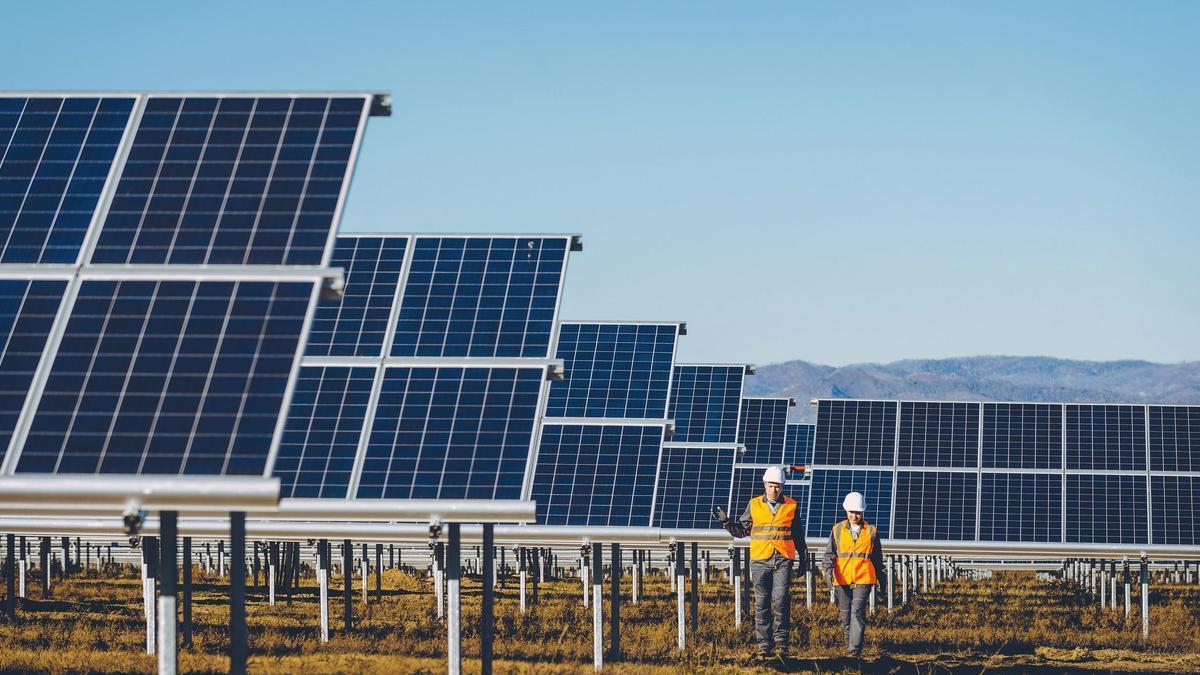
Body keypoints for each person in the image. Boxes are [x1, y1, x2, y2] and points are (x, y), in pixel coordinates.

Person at [714, 465, 808, 662]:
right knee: (762, 602)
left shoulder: (791, 505)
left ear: (782, 486)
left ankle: (782, 644)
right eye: (771, 485)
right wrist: (726, 522)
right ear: (765, 484)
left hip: (783, 558)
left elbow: (798, 534)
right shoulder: (754, 504)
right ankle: (764, 646)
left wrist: (803, 558)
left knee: (781, 599)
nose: (774, 489)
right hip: (760, 559)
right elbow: (742, 531)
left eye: (778, 486)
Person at [821, 491, 885, 659]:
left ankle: (854, 650)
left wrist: (882, 581)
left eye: (857, 512)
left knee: (857, 611)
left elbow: (877, 558)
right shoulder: (836, 530)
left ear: (862, 512)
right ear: (846, 511)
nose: (854, 515)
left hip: (864, 578)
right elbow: (829, 555)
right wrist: (828, 573)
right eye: (851, 511)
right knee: (845, 615)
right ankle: (850, 647)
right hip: (842, 578)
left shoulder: (872, 531)